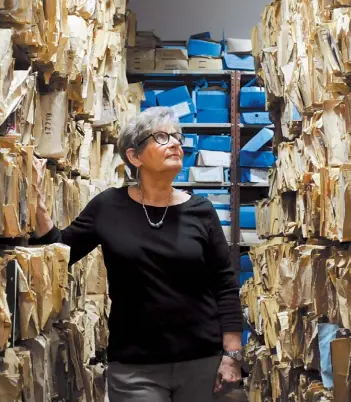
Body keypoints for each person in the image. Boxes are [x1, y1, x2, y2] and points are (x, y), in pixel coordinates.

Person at [34, 107, 243, 402]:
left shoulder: (202, 211)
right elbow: (61, 253)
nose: (175, 143)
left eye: (176, 137)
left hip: (201, 361)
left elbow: (225, 283)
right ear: (134, 156)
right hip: (135, 366)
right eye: (161, 137)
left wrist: (231, 353)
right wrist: (40, 212)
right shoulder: (108, 206)